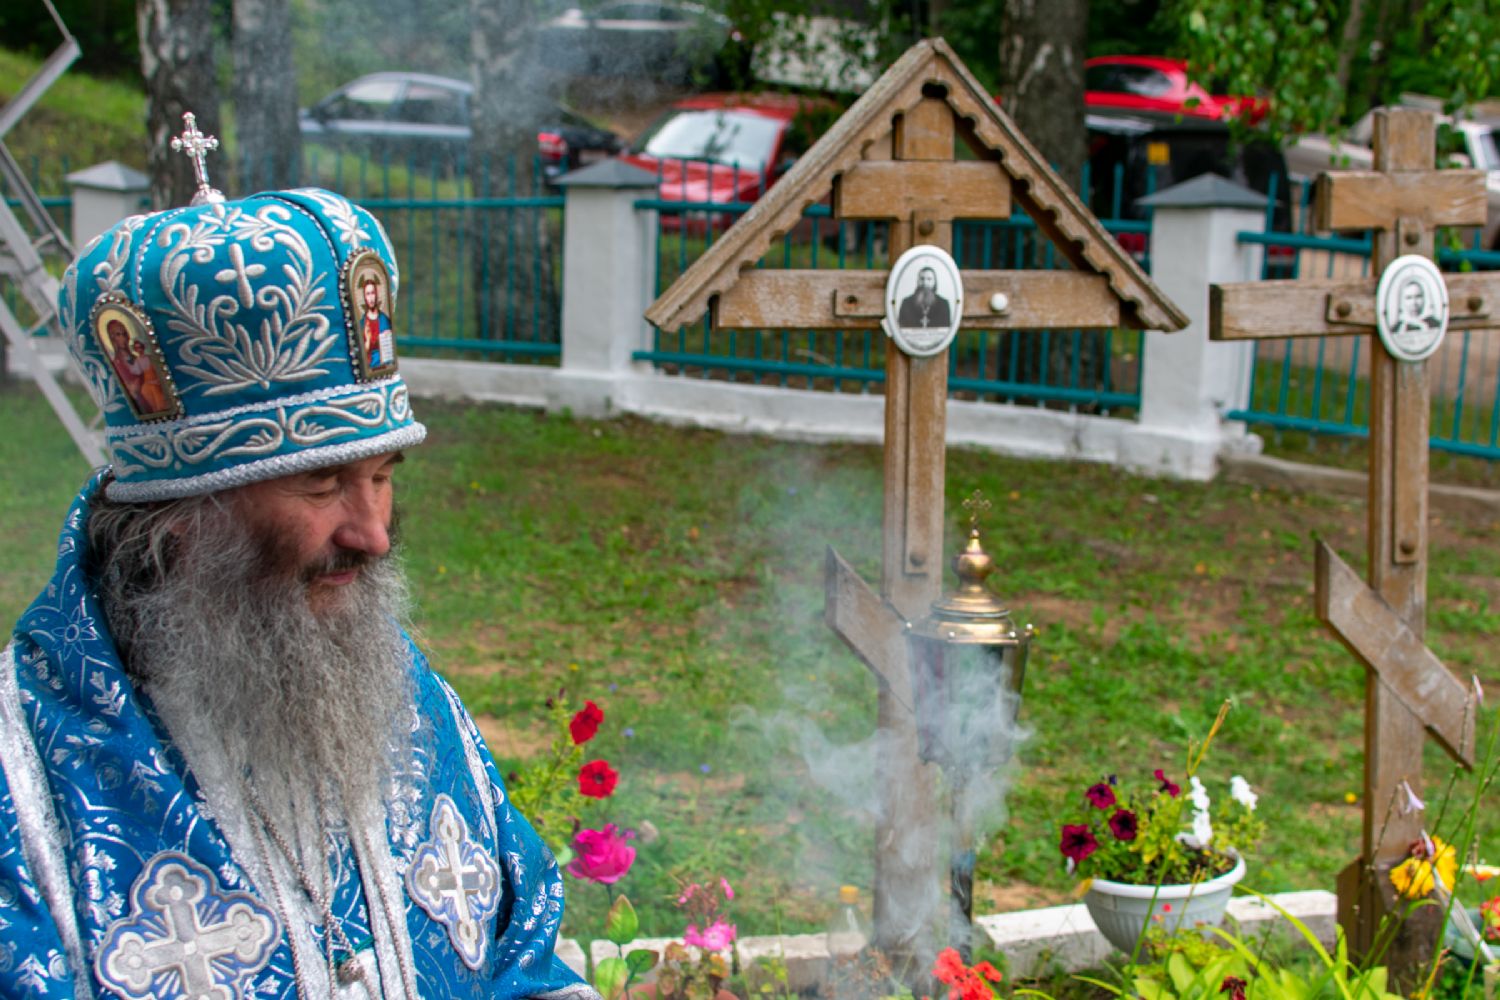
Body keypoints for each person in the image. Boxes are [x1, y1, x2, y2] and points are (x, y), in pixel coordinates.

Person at [0, 184, 599, 1000]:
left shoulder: (406, 699)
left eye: (382, 476)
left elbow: (519, 952)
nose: (374, 533)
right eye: (322, 486)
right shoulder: (27, 779)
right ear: (184, 518)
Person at [896, 266, 952, 330]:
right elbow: (901, 328)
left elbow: (946, 329)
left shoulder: (943, 304)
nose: (925, 283)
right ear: (917, 281)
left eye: (929, 279)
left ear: (934, 282)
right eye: (922, 279)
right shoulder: (906, 303)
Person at [362, 274, 395, 370]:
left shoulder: (384, 319)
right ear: (364, 297)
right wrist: (368, 340)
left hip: (383, 365)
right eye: (368, 294)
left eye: (373, 293)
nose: (371, 298)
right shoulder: (362, 322)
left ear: (377, 294)